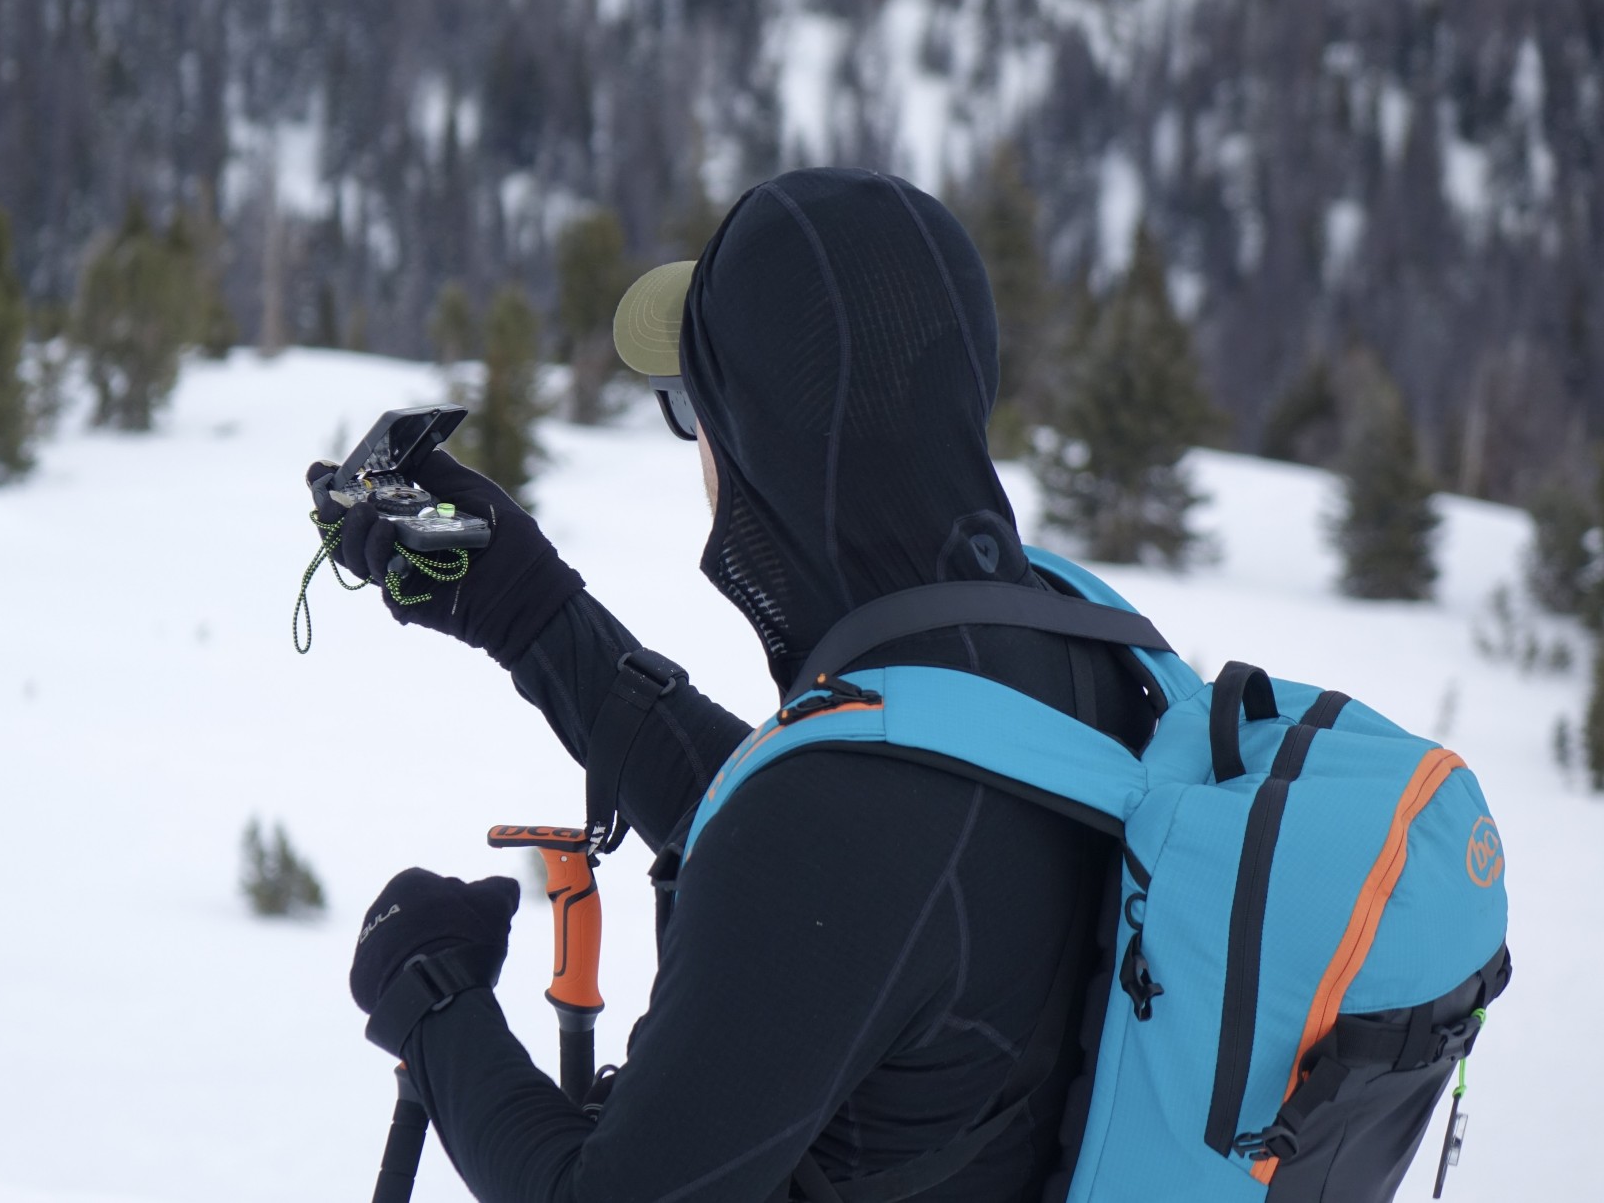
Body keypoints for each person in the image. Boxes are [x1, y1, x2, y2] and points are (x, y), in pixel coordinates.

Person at [315, 168, 1160, 1202]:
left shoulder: (848, 818)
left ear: (757, 432)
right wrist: (526, 608)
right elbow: (830, 870)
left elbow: (818, 863)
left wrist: (434, 1002)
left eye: (695, 405)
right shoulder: (1071, 649)